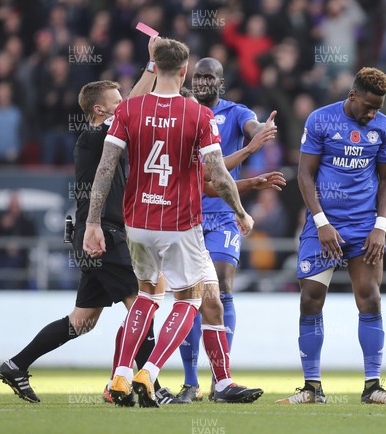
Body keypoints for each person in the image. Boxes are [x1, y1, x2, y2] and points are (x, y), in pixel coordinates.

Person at [83, 38, 258, 408]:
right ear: (183, 72)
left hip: (139, 222)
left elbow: (105, 168)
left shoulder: (129, 110)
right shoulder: (198, 116)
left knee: (151, 294)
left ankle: (124, 376)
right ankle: (150, 370)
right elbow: (218, 175)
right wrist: (240, 211)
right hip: (180, 223)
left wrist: (92, 222)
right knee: (191, 298)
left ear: (154, 65)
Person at [0, 37, 160, 404]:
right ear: (101, 110)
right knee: (142, 307)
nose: (125, 110)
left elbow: (134, 109)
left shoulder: (109, 139)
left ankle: (16, 365)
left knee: (82, 321)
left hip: (99, 236)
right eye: (117, 105)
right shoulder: (92, 138)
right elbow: (134, 106)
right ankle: (146, 384)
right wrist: (152, 66)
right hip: (102, 235)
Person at [277, 67, 386, 405]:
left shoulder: (384, 128)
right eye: (368, 106)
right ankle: (311, 388)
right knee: (310, 299)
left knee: (370, 297)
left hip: (364, 228)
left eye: (378, 108)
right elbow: (304, 175)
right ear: (352, 96)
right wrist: (320, 222)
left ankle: (373, 387)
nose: (372, 113)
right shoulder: (321, 121)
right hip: (323, 227)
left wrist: (381, 226)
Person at [171, 57, 277, 404]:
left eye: (208, 77)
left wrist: (260, 130)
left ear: (221, 81)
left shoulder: (235, 112)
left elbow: (252, 125)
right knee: (191, 295)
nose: (202, 82)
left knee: (222, 286)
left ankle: (222, 378)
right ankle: (191, 383)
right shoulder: (184, 112)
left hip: (222, 216)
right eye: (197, 77)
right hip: (185, 215)